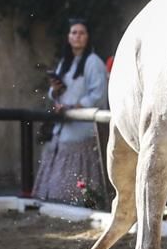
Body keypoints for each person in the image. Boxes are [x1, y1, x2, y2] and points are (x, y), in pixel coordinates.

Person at [32, 18, 109, 205]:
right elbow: (55, 94)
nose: (77, 36)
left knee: (81, 170)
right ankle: (57, 202)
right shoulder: (65, 63)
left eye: (81, 33)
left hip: (83, 129)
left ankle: (80, 203)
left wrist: (74, 107)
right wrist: (56, 90)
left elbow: (98, 95)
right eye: (74, 33)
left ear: (88, 37)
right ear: (68, 37)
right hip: (62, 127)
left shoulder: (93, 62)